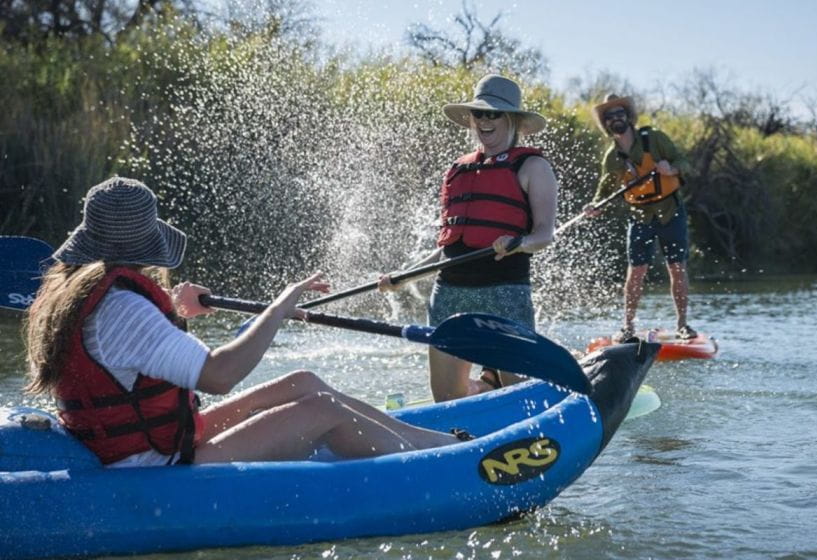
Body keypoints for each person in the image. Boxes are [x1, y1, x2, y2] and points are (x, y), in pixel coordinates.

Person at [24, 177, 463, 468]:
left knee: (303, 381)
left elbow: (128, 351)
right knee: (324, 412)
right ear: (142, 243)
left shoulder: (85, 293)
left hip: (150, 440)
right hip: (154, 461)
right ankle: (442, 464)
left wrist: (176, 314)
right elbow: (220, 376)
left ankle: (436, 441)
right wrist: (279, 307)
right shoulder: (124, 308)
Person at [379, 74, 558, 401]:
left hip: (504, 292)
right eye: (479, 113)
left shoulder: (533, 167)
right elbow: (446, 250)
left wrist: (518, 243)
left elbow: (544, 234)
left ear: (512, 120)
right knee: (447, 400)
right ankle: (467, 423)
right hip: (450, 295)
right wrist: (403, 277)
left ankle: (500, 393)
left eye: (494, 114)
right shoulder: (457, 170)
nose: (484, 121)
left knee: (519, 394)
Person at [584, 93, 697, 342]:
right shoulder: (612, 158)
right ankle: (628, 327)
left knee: (676, 267)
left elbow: (685, 162)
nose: (616, 119)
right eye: (610, 116)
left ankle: (682, 324)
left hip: (670, 212)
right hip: (640, 216)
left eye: (620, 114)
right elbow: (603, 193)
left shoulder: (654, 139)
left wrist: (672, 168)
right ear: (606, 123)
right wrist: (594, 207)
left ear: (628, 116)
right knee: (636, 270)